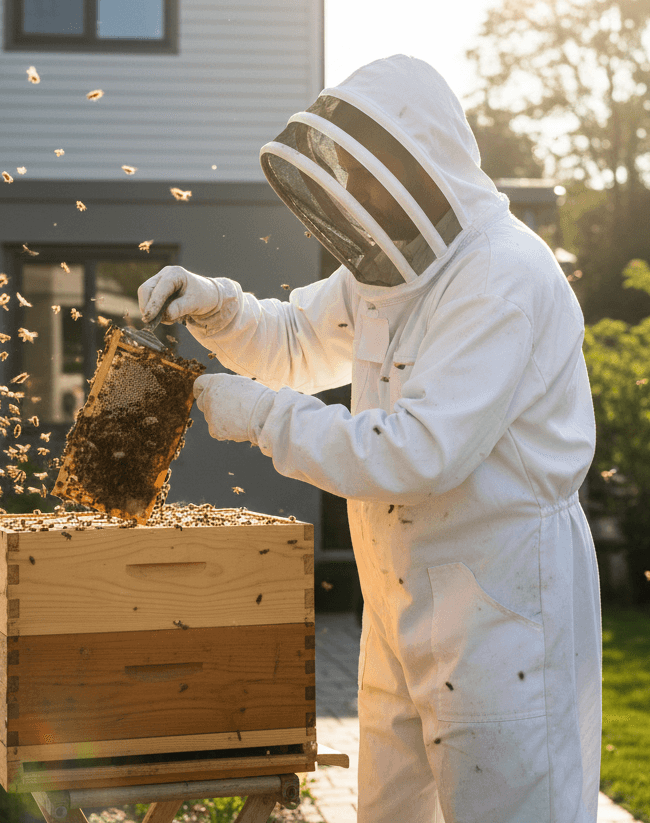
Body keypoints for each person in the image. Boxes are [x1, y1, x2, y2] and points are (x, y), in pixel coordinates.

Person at [138, 54, 602, 823]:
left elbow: (415, 452)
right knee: (391, 812)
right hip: (398, 599)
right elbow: (295, 341)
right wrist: (215, 306)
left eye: (368, 174)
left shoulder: (501, 276)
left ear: (421, 165)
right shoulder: (387, 270)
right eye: (346, 174)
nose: (355, 194)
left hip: (504, 607)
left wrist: (257, 416)